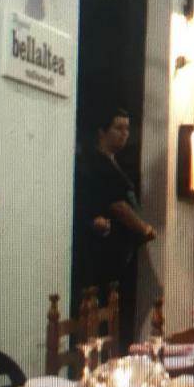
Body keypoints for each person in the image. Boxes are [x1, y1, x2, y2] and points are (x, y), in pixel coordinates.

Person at [73, 106, 156, 349]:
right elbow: (118, 205)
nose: (124, 134)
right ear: (102, 131)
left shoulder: (116, 164)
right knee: (103, 320)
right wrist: (144, 228)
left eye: (128, 129)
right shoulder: (97, 164)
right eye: (118, 128)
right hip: (104, 259)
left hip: (123, 258)